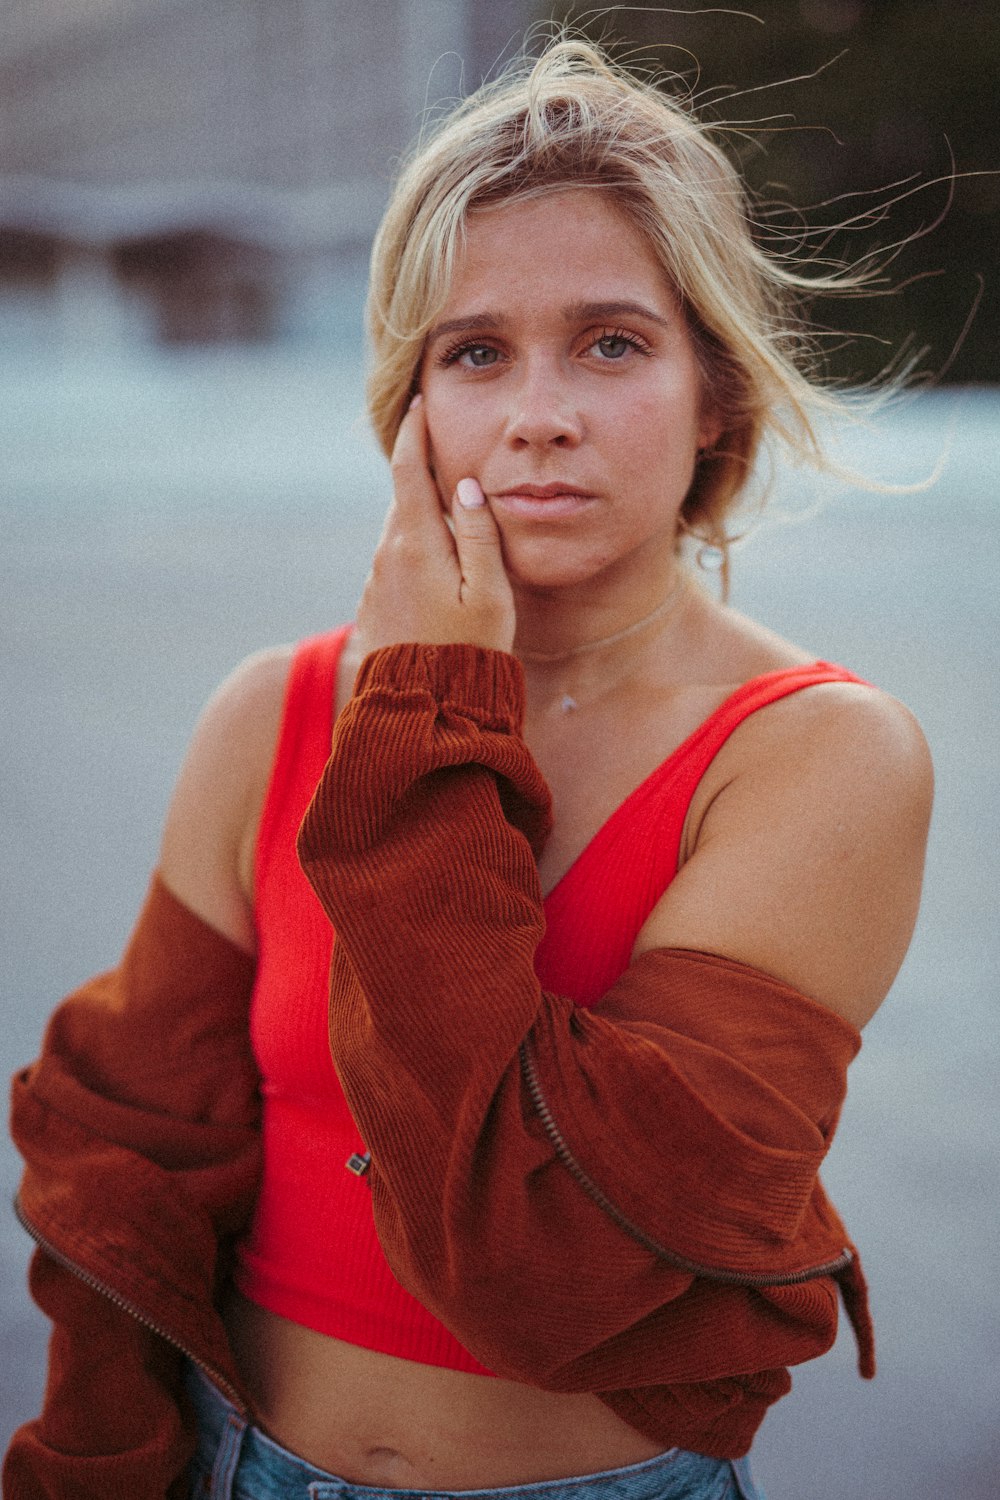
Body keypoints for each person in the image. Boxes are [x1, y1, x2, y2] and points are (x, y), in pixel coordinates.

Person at [6, 36, 933, 1500]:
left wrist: (435, 704)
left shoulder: (818, 755)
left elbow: (550, 1254)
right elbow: (125, 1166)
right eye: (476, 351)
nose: (537, 413)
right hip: (228, 1464)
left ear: (714, 394)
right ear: (412, 405)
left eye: (612, 343)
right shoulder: (275, 714)